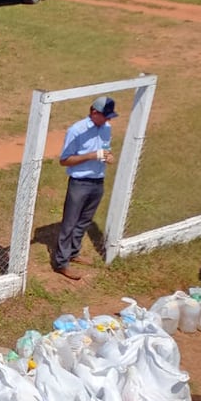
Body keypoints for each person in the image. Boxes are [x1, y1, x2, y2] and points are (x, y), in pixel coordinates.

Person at [52, 95, 118, 280]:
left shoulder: (106, 128)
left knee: (84, 222)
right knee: (70, 223)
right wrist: (90, 156)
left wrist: (109, 157)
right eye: (105, 115)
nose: (108, 119)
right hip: (79, 183)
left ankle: (74, 252)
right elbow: (64, 160)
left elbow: (106, 149)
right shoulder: (76, 130)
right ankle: (61, 263)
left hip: (98, 181)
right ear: (94, 112)